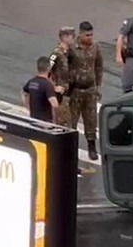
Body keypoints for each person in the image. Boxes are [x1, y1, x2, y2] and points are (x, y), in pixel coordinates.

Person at [68, 21, 104, 160]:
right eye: (87, 35)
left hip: (90, 90)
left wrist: (98, 86)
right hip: (74, 90)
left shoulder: (95, 47)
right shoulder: (71, 48)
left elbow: (99, 66)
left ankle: (92, 148)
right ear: (81, 34)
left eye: (91, 35)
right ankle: (70, 148)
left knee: (91, 121)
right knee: (71, 122)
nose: (90, 38)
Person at [47, 26, 75, 126]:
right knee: (62, 123)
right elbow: (46, 72)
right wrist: (54, 87)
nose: (73, 39)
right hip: (60, 95)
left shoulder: (70, 53)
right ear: (65, 37)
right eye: (72, 36)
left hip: (69, 94)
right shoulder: (56, 54)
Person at [22, 56, 60, 123]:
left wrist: (28, 107)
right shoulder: (47, 85)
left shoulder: (31, 81)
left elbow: (24, 93)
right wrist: (55, 120)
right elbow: (54, 104)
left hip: (33, 119)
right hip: (45, 122)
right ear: (49, 68)